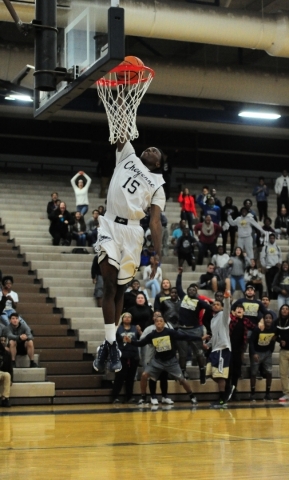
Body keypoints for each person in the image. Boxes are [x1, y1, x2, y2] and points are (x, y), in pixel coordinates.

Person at [92, 100, 165, 374]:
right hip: (110, 225)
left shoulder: (158, 185)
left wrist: (156, 254)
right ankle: (111, 344)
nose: (149, 148)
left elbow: (155, 221)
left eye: (155, 150)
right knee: (109, 286)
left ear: (158, 163)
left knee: (121, 289)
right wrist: (122, 103)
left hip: (134, 232)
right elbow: (122, 129)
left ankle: (108, 347)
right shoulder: (128, 156)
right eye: (149, 146)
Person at [124, 315, 207, 406]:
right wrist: (130, 341)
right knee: (144, 375)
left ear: (164, 323)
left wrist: (199, 338)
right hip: (158, 361)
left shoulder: (170, 332)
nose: (159, 322)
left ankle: (192, 396)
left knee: (182, 380)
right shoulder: (152, 335)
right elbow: (140, 343)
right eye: (157, 321)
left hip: (171, 361)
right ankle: (143, 397)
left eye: (161, 321)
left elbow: (185, 337)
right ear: (154, 323)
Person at [176, 268, 213, 383]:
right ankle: (182, 373)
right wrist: (180, 274)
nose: (192, 291)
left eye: (194, 290)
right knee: (182, 354)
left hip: (195, 330)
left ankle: (202, 372)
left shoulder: (199, 302)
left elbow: (210, 308)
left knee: (199, 353)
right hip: (182, 330)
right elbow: (178, 287)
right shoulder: (183, 297)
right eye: (190, 289)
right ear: (187, 291)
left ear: (196, 292)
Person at [204, 286, 232, 408]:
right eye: (213, 304)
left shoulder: (223, 316)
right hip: (214, 349)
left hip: (223, 349)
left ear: (221, 307)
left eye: (217, 304)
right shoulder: (213, 320)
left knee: (220, 376)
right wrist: (208, 344)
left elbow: (227, 308)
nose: (215, 305)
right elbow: (215, 335)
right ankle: (228, 387)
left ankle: (222, 400)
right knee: (210, 373)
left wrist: (226, 298)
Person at [139, 311, 174, 406]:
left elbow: (173, 338)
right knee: (153, 378)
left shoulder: (169, 326)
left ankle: (165, 396)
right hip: (152, 356)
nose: (158, 317)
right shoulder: (149, 329)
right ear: (153, 318)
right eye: (155, 316)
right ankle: (153, 396)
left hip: (165, 357)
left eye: (160, 316)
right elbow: (142, 340)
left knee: (164, 378)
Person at [227, 305, 256, 402]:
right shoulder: (230, 319)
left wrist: (260, 324)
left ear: (244, 312)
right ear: (233, 311)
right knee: (228, 373)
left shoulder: (245, 321)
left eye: (241, 309)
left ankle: (234, 392)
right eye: (237, 309)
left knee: (236, 373)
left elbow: (254, 327)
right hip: (228, 350)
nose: (239, 310)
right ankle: (226, 393)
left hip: (238, 351)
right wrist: (231, 315)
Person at [111, 312, 140, 404]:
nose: (127, 318)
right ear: (122, 319)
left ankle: (129, 397)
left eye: (129, 317)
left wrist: (140, 332)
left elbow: (142, 339)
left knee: (130, 378)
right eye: (125, 317)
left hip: (133, 355)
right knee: (119, 377)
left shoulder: (135, 328)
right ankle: (115, 396)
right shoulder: (117, 329)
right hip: (122, 356)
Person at [249, 312, 276, 401]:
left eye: (270, 318)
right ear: (263, 320)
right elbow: (251, 342)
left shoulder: (274, 329)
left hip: (267, 353)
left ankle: (267, 394)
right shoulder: (258, 329)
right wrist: (253, 353)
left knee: (269, 372)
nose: (268, 319)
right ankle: (252, 394)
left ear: (272, 320)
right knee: (253, 373)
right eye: (266, 318)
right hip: (257, 353)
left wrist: (271, 350)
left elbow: (274, 339)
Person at [260, 233, 282, 299]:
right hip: (268, 268)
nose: (272, 239)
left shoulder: (278, 247)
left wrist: (279, 263)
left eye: (273, 238)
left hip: (276, 268)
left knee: (276, 284)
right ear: (269, 239)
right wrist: (264, 265)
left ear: (274, 239)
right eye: (271, 238)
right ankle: (270, 297)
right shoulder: (265, 247)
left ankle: (276, 297)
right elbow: (262, 257)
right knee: (269, 285)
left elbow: (280, 256)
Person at [275, 304, 289, 402]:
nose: (284, 310)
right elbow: (274, 335)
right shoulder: (277, 321)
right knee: (283, 374)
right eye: (283, 309)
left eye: (287, 309)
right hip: (283, 351)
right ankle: (286, 393)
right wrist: (280, 341)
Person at [0, 333, 13, 407]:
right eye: (1, 340)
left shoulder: (7, 353)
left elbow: (10, 368)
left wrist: (12, 379)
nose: (2, 342)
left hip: (2, 373)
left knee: (8, 375)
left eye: (4, 341)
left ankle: (5, 398)